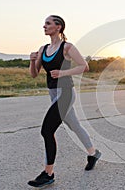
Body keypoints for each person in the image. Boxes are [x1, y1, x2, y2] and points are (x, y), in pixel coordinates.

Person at [28, 15, 101, 187]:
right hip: (53, 93)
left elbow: (84, 66)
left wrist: (63, 73)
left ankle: (48, 173)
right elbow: (34, 73)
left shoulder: (67, 47)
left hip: (66, 93)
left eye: (48, 23)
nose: (44, 26)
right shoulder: (43, 48)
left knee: (47, 131)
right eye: (44, 23)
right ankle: (93, 152)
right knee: (74, 125)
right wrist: (32, 62)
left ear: (58, 27)